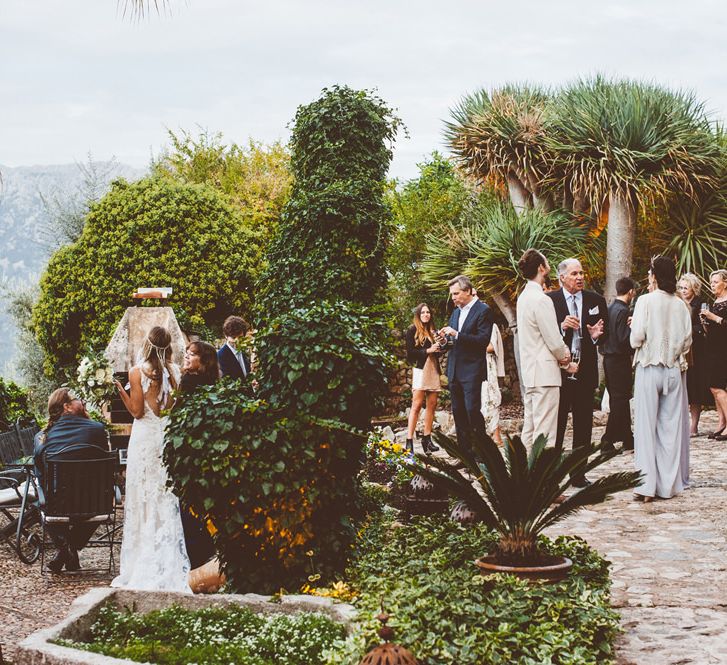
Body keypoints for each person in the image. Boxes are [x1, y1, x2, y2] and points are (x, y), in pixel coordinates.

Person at [112, 326, 191, 592]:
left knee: (142, 494)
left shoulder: (136, 372)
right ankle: (165, 550)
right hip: (164, 436)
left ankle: (140, 557)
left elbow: (136, 411)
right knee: (164, 493)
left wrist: (120, 392)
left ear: (147, 344)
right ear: (168, 346)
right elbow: (173, 406)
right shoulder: (176, 371)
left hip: (144, 439)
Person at [631, 256, 692, 502]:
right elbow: (687, 340)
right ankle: (668, 486)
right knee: (670, 428)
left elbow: (636, 338)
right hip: (673, 370)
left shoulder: (644, 301)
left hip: (649, 367)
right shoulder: (680, 305)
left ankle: (646, 487)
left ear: (654, 276)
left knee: (645, 428)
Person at [546, 258, 608, 487]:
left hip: (585, 370)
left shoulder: (595, 300)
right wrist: (562, 327)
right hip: (560, 372)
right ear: (562, 277)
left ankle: (578, 473)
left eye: (581, 272)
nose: (580, 277)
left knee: (583, 424)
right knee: (558, 423)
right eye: (574, 274)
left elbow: (606, 333)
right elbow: (544, 334)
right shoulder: (549, 301)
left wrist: (594, 335)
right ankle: (552, 475)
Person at [33, 388, 109, 573]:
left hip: (57, 503)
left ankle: (65, 550)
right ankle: (70, 551)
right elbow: (105, 466)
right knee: (102, 504)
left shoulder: (41, 437)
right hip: (93, 503)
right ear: (67, 407)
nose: (82, 402)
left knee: (41, 505)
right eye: (78, 399)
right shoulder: (97, 430)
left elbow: (40, 475)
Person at [516, 249, 571, 449]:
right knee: (545, 433)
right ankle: (543, 478)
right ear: (541, 268)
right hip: (545, 374)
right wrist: (566, 357)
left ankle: (524, 476)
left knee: (529, 431)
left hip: (530, 372)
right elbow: (553, 338)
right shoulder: (541, 299)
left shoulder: (523, 297)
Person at [439, 275, 494, 455]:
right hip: (454, 369)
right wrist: (444, 339)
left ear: (468, 291)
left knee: (472, 411)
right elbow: (452, 341)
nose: (453, 298)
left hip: (472, 370)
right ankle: (465, 455)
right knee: (458, 413)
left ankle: (482, 452)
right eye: (451, 294)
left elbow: (483, 340)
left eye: (456, 293)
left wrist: (456, 334)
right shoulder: (456, 312)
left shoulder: (483, 310)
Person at [178, 340, 219, 569]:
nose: (186, 356)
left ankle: (195, 558)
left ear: (204, 360)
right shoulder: (212, 382)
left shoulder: (189, 382)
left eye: (191, 354)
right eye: (186, 352)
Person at [600, 277, 637, 451]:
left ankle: (627, 438)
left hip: (608, 358)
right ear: (631, 292)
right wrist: (633, 329)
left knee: (618, 399)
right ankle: (607, 439)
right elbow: (624, 339)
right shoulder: (623, 311)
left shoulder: (609, 308)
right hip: (619, 359)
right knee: (621, 399)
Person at [678, 273, 713, 436]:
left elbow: (704, 327)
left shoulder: (700, 304)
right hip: (680, 351)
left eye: (686, 287)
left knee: (695, 388)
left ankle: (694, 425)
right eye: (681, 287)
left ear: (694, 288)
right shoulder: (677, 303)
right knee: (681, 388)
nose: (683, 290)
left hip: (697, 350)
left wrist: (690, 329)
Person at [404, 303, 442, 454]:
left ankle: (427, 438)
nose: (426, 314)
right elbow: (410, 353)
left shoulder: (433, 330)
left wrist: (440, 345)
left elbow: (438, 353)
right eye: (423, 312)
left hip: (433, 370)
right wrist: (428, 350)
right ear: (419, 314)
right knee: (417, 405)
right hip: (421, 370)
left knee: (432, 405)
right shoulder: (412, 330)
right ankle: (409, 440)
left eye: (428, 312)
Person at [700, 269, 727, 440]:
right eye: (711, 282)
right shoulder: (715, 302)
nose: (712, 285)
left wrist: (713, 317)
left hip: (724, 349)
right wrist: (705, 323)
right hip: (713, 348)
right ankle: (721, 422)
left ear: (726, 282)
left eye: (716, 282)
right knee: (714, 386)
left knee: (717, 386)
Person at [481, 323, 506, 446]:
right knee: (481, 400)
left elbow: (491, 347)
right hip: (476, 365)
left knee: (491, 398)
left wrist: (470, 346)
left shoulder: (490, 325)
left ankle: (496, 434)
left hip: (487, 365)